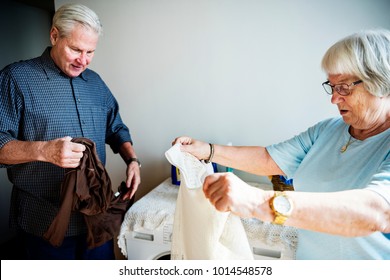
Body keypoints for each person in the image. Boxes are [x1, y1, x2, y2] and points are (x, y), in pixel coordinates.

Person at [173, 29, 390, 259]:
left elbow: (378, 211)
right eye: (332, 86)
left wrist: (256, 201)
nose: (334, 98)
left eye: (344, 87)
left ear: (380, 83)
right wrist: (207, 150)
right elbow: (269, 159)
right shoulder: (328, 130)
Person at [0, 4, 141, 259]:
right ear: (54, 36)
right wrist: (45, 150)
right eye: (75, 49)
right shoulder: (16, 79)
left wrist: (132, 160)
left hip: (95, 219)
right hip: (43, 224)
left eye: (90, 52)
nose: (83, 60)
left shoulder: (96, 83)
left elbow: (116, 128)